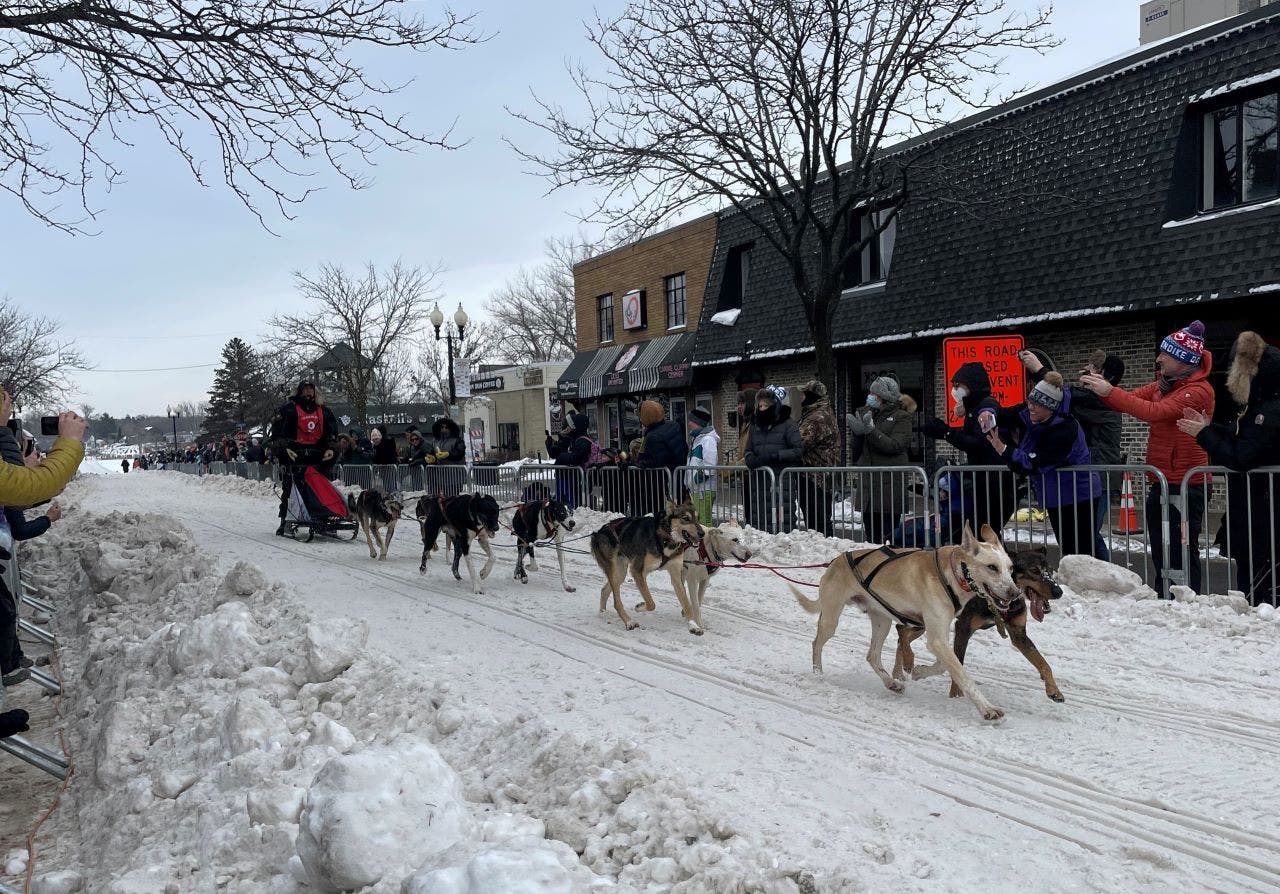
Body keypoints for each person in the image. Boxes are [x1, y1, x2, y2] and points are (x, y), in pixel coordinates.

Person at [1081, 320, 1214, 596]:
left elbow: (1154, 412)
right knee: (1161, 548)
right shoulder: (1162, 385)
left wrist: (1110, 392)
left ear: (1182, 359)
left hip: (1189, 484)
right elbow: (1127, 400)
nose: (1159, 359)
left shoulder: (1198, 391)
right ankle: (1164, 596)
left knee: (1182, 549)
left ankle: (1189, 599)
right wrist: (1101, 387)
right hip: (1163, 481)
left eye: (1165, 354)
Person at [1177, 330, 1280, 605]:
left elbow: (1242, 456)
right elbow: (1241, 437)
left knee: (1262, 588)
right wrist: (1209, 428)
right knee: (1254, 580)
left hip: (1263, 514)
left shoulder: (1268, 412)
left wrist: (1203, 434)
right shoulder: (1261, 406)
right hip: (1256, 511)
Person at [1022, 348, 1125, 559]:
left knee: (1088, 538)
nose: (1086, 372)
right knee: (1086, 537)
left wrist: (1040, 371)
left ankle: (1105, 576)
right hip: (1087, 477)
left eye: (1095, 369)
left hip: (1096, 477)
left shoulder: (1104, 402)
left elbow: (1063, 397)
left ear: (1108, 378)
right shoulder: (1093, 399)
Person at [989, 372, 1102, 557]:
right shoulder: (1035, 413)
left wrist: (1003, 449)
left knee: (1080, 553)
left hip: (1078, 495)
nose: (1030, 407)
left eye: (1036, 405)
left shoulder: (1064, 430)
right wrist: (989, 413)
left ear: (1050, 407)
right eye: (1029, 402)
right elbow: (1007, 414)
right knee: (1069, 550)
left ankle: (1095, 583)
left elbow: (1034, 463)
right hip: (1056, 495)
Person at [921, 361, 1018, 544]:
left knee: (985, 533)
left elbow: (982, 443)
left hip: (995, 484)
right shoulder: (974, 409)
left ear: (971, 385)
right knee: (982, 534)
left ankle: (1003, 570)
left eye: (958, 385)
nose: (954, 390)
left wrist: (947, 432)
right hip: (984, 482)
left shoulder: (986, 407)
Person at [847, 376, 916, 545]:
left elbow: (895, 445)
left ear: (885, 397)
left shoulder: (901, 417)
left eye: (874, 394)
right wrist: (857, 433)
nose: (870, 396)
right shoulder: (868, 413)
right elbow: (856, 452)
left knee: (888, 537)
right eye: (870, 392)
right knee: (871, 537)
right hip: (869, 487)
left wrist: (871, 431)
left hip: (888, 487)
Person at [269, 381, 338, 536]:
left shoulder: (324, 411)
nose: (308, 393)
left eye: (311, 390)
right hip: (294, 455)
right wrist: (284, 449)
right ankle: (286, 520)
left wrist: (331, 449)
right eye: (305, 389)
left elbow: (332, 434)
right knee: (290, 490)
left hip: (318, 456)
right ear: (300, 392)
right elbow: (277, 434)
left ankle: (323, 518)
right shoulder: (288, 409)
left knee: (321, 488)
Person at [743, 385, 802, 533]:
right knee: (760, 524)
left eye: (766, 405)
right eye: (760, 405)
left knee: (781, 522)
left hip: (781, 484)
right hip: (759, 485)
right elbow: (748, 449)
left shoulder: (788, 424)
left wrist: (776, 456)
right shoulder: (755, 426)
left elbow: (798, 450)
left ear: (774, 405)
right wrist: (750, 459)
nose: (762, 408)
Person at [797, 380, 839, 537]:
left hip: (814, 476)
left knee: (818, 522)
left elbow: (799, 442)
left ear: (812, 396)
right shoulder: (818, 413)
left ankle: (825, 554)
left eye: (804, 394)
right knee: (817, 520)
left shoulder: (817, 418)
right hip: (817, 476)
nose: (801, 397)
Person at [633, 400, 684, 515]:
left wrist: (643, 463)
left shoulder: (653, 436)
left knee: (658, 511)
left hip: (661, 482)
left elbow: (659, 460)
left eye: (641, 416)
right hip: (678, 476)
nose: (640, 419)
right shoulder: (673, 425)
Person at [685, 407, 719, 525]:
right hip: (698, 489)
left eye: (691, 421)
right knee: (699, 522)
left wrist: (696, 479)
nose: (689, 424)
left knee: (704, 523)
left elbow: (710, 465)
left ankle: (706, 544)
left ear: (698, 423)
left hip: (704, 489)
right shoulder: (697, 439)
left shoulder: (707, 440)